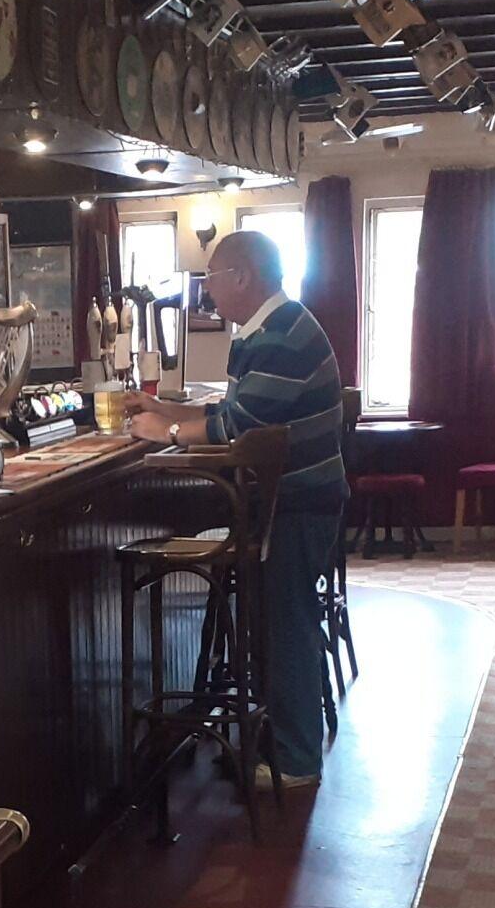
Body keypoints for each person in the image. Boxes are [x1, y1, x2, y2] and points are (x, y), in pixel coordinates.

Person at [122, 232, 346, 789]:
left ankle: (296, 761)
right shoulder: (268, 331)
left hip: (296, 505)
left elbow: (238, 427)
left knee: (285, 627)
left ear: (242, 277)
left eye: (212, 279)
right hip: (288, 502)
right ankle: (280, 740)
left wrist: (166, 432)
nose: (207, 292)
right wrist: (162, 407)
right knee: (276, 623)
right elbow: (234, 410)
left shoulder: (281, 337)